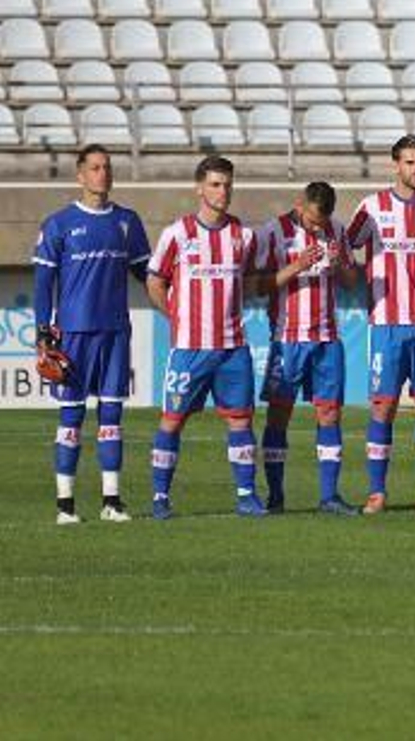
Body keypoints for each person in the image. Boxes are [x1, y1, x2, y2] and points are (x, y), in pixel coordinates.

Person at [32, 144, 150, 525]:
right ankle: (65, 506)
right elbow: (42, 282)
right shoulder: (59, 224)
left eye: (108, 167)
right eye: (96, 168)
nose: (103, 174)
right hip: (74, 334)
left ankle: (111, 501)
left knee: (112, 414)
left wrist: (176, 292)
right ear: (80, 175)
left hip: (115, 330)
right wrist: (42, 330)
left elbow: (145, 273)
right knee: (72, 416)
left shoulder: (128, 221)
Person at [145, 155, 266, 519]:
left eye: (227, 184)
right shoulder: (177, 234)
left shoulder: (243, 235)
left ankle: (246, 495)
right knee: (172, 419)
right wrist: (176, 317)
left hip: (233, 348)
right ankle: (160, 498)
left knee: (240, 420)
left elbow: (248, 283)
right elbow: (155, 282)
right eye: (215, 184)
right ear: (200, 188)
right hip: (190, 349)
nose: (222, 191)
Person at [346, 135, 415, 514]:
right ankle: (377, 493)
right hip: (388, 323)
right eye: (410, 163)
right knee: (383, 407)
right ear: (396, 165)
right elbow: (346, 249)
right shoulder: (372, 207)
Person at [256, 181, 362, 516]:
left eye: (323, 223)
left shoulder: (338, 230)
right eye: (313, 221)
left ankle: (329, 497)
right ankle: (275, 497)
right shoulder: (273, 233)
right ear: (300, 204)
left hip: (327, 338)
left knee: (329, 413)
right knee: (279, 415)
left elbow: (351, 281)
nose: (318, 228)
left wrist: (339, 266)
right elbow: (257, 285)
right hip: (287, 338)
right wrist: (297, 266)